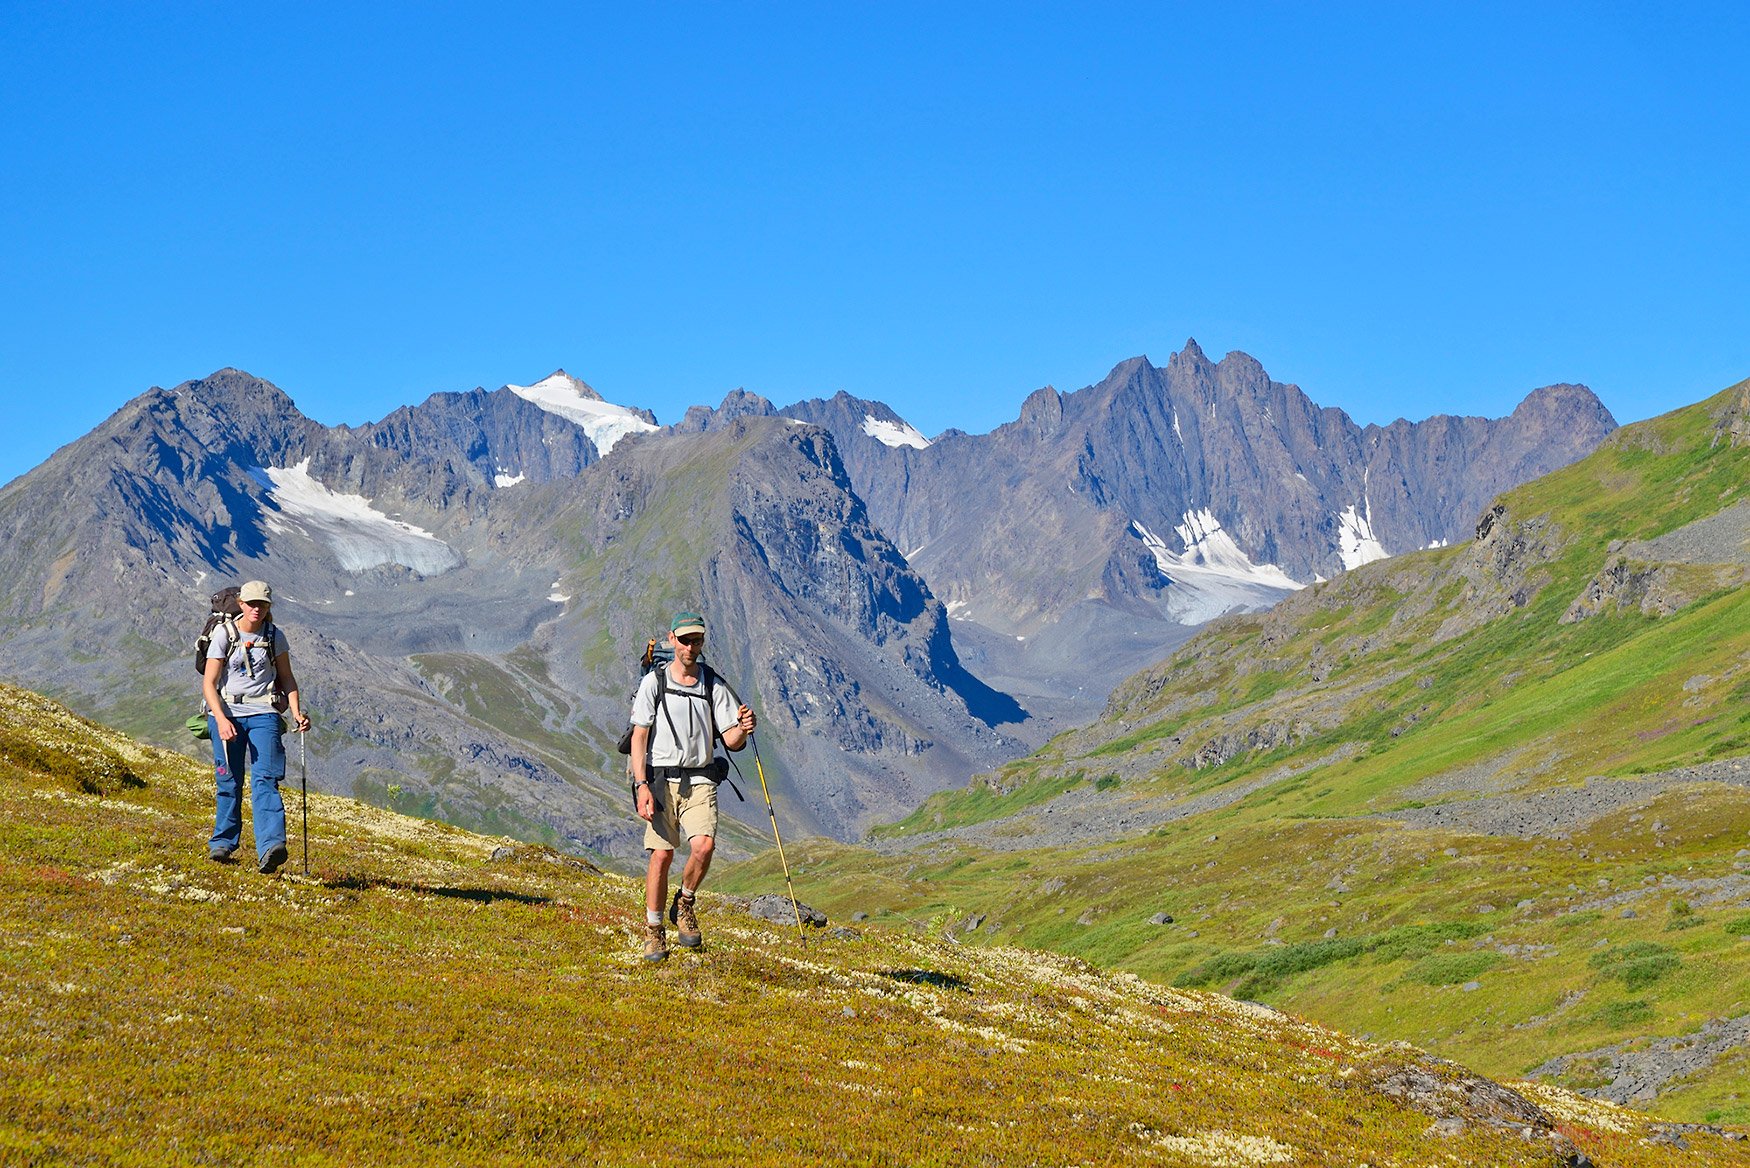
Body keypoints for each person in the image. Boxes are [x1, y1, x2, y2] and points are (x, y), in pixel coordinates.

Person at [628, 610, 756, 961]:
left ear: (701, 642)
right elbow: (639, 736)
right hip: (659, 779)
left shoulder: (712, 683)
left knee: (704, 846)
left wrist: (744, 726)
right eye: (684, 640)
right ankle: (654, 931)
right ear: (672, 639)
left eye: (695, 640)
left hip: (700, 777)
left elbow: (732, 740)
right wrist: (641, 785)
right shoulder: (654, 683)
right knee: (662, 854)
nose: (689, 646)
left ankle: (684, 903)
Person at [201, 580, 310, 873]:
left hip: (264, 712)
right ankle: (222, 843)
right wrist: (221, 719)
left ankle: (271, 847)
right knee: (229, 780)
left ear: (268, 606)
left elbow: (287, 678)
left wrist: (297, 711)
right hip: (226, 713)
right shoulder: (224, 634)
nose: (256, 609)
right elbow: (209, 684)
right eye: (251, 603)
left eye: (262, 604)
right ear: (241, 604)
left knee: (265, 779)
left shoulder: (275, 636)